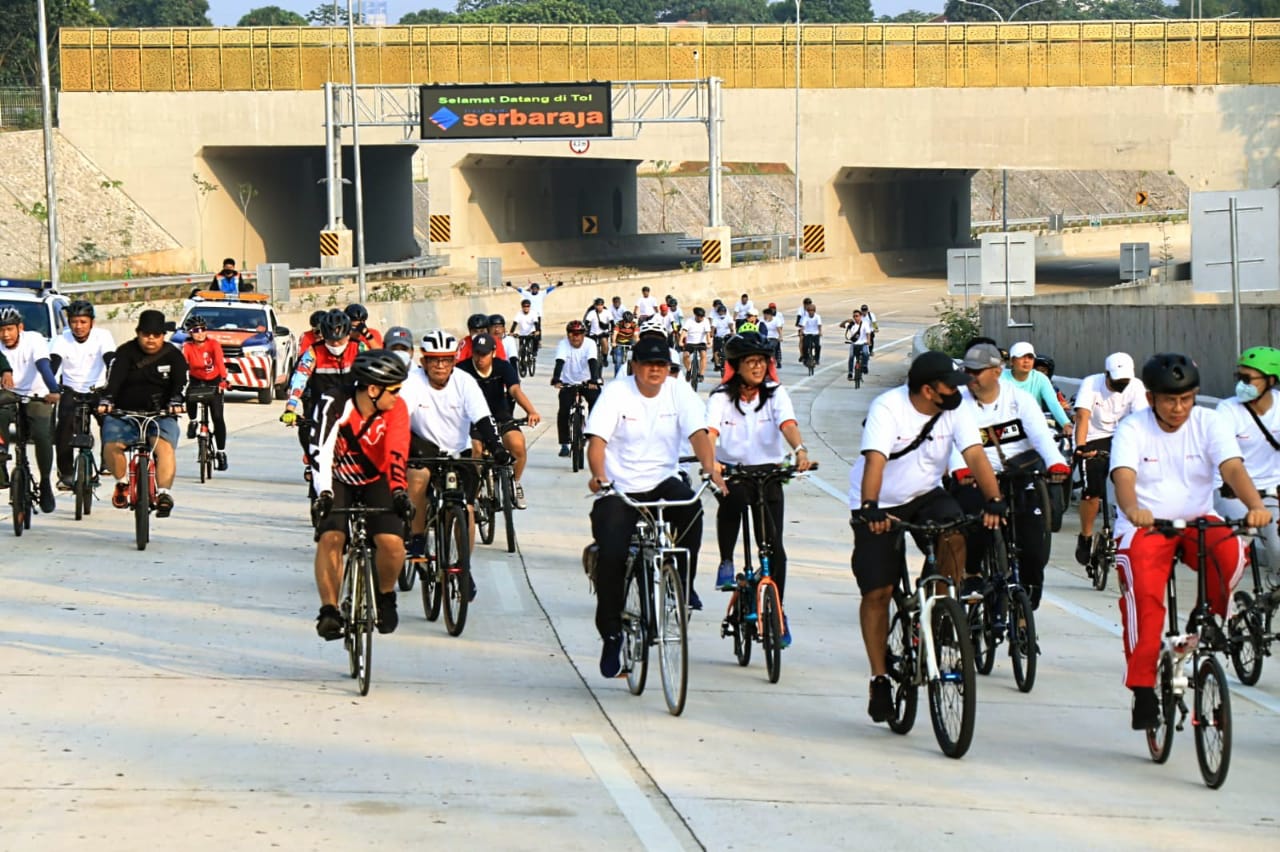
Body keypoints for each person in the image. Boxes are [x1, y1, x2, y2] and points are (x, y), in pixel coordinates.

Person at [1111, 353, 1271, 731]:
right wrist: (1133, 508)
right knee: (1145, 601)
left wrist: (1255, 506)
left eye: (1186, 399)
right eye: (1169, 399)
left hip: (1198, 517)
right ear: (1151, 398)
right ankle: (1143, 689)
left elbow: (1232, 467)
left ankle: (1208, 618)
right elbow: (1123, 476)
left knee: (1232, 551)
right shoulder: (1133, 428)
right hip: (1146, 526)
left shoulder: (1209, 422)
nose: (1179, 408)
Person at [849, 350, 1003, 723]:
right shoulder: (889, 408)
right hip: (879, 499)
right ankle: (880, 676)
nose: (958, 390)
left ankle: (937, 609)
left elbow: (976, 455)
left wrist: (994, 499)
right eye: (951, 385)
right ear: (928, 390)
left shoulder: (956, 408)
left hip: (926, 494)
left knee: (953, 535)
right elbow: (875, 461)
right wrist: (871, 508)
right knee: (878, 592)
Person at [586, 336, 727, 677]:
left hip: (661, 481)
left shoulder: (679, 392)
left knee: (691, 511)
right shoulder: (617, 392)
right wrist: (599, 476)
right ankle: (612, 633)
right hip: (619, 488)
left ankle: (681, 582)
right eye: (648, 364)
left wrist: (711, 470)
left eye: (661, 365)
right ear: (634, 365)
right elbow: (597, 441)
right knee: (613, 556)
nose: (655, 370)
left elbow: (699, 435)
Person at [707, 332, 812, 646]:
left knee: (775, 548)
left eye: (762, 362)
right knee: (733, 497)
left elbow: (788, 424)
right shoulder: (720, 397)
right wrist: (711, 464)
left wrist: (800, 451)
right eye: (750, 362)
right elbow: (710, 432)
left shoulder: (775, 393)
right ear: (736, 366)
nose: (757, 367)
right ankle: (726, 561)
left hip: (768, 475)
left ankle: (777, 610)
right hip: (734, 473)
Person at [949, 342, 1071, 608]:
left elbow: (1041, 436)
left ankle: (1026, 605)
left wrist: (1055, 462)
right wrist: (960, 468)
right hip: (978, 474)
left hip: (1019, 471)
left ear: (996, 371)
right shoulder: (958, 401)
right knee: (975, 516)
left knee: (1033, 546)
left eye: (977, 372)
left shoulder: (1019, 399)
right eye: (967, 371)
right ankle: (972, 573)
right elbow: (953, 442)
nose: (970, 378)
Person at [310, 349, 414, 640]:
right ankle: (329, 610)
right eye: (393, 389)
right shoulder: (335, 403)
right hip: (336, 478)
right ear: (373, 389)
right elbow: (321, 449)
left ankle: (384, 596)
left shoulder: (397, 409)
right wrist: (325, 493)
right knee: (331, 537)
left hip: (377, 477)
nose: (398, 395)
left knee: (392, 543)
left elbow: (396, 453)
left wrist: (399, 493)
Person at [400, 331, 512, 580]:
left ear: (453, 361)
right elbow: (399, 419)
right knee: (416, 479)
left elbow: (483, 418)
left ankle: (463, 568)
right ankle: (417, 539)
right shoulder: (412, 382)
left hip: (458, 451)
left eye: (446, 360)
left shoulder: (464, 382)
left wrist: (498, 448)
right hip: (423, 446)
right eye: (434, 360)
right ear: (423, 361)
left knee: (467, 508)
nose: (440, 366)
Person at [97, 310, 188, 517]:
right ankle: (122, 483)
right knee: (111, 445)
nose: (151, 339)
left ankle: (164, 493)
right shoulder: (124, 352)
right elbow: (114, 381)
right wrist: (107, 400)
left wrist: (176, 400)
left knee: (164, 448)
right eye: (146, 334)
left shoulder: (173, 355)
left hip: (160, 414)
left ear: (163, 335)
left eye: (156, 335)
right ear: (138, 333)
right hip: (124, 413)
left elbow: (181, 382)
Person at [1072, 352, 1149, 566]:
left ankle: (1123, 532)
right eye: (1117, 382)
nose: (1122, 386)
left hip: (1122, 435)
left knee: (1129, 483)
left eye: (1125, 381)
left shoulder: (1136, 386)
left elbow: (1141, 420)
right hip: (1092, 437)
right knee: (1092, 493)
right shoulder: (1091, 384)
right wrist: (1080, 447)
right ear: (1106, 374)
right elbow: (1082, 417)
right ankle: (1086, 536)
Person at [1214, 346, 1280, 588]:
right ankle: (1223, 602)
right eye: (1238, 378)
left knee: (1278, 548)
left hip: (1271, 492)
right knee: (1233, 553)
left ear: (1271, 380)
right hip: (1232, 491)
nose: (1241, 384)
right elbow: (1227, 461)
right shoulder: (1228, 410)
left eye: (1247, 379)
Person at [457, 333, 542, 509]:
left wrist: (531, 411)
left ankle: (516, 483)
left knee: (517, 444)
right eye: (477, 353)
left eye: (485, 354)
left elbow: (515, 390)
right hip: (474, 419)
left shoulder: (503, 367)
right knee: (476, 449)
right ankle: (477, 490)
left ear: (493, 353)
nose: (480, 358)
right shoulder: (462, 370)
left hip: (500, 415)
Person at [281, 309, 360, 484]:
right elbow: (299, 379)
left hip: (353, 409)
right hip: (322, 410)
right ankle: (312, 462)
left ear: (348, 335)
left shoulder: (358, 348)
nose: (336, 344)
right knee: (304, 429)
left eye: (340, 339)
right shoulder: (313, 352)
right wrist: (290, 407)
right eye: (331, 340)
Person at [50, 300, 115, 491]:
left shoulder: (103, 337)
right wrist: (50, 388)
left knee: (110, 423)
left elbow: (110, 360)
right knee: (64, 429)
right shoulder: (61, 339)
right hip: (71, 390)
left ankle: (107, 462)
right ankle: (66, 474)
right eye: (74, 322)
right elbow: (53, 364)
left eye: (83, 322)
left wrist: (113, 388)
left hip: (98, 389)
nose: (78, 326)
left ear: (92, 322)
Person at [0, 307, 60, 509]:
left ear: (20, 328)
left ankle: (45, 483)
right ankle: (2, 465)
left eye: (9, 329)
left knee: (42, 435)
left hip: (38, 394)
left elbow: (43, 365)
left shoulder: (34, 340)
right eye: (1, 330)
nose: (5, 335)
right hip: (8, 396)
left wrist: (54, 389)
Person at [180, 315, 230, 471]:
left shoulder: (213, 344)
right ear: (190, 333)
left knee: (217, 417)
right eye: (196, 330)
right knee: (189, 396)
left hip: (214, 380)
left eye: (202, 329)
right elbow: (183, 366)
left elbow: (220, 362)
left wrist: (223, 380)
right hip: (197, 380)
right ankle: (193, 421)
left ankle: (221, 453)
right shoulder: (187, 347)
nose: (200, 333)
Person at [553, 319, 601, 458]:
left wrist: (594, 379)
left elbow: (593, 361)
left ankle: (592, 433)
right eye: (572, 333)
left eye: (579, 333)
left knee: (596, 404)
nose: (576, 336)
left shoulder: (590, 344)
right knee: (563, 411)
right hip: (569, 382)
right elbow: (559, 361)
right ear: (568, 335)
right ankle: (564, 444)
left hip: (587, 381)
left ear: (584, 334)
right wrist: (556, 378)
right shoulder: (563, 344)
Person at [1005, 341, 1070, 428]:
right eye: (1022, 357)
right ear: (1012, 361)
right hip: (1005, 427)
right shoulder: (999, 378)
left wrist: (1066, 424)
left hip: (1033, 425)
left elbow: (1053, 403)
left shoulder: (1041, 378)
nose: (1026, 361)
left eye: (1030, 357)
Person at [840, 309, 871, 381]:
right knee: (851, 357)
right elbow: (841, 325)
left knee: (866, 353)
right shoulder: (851, 324)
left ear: (860, 316)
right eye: (854, 316)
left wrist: (868, 341)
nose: (855, 317)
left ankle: (865, 366)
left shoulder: (864, 324)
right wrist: (847, 320)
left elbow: (868, 333)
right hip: (854, 344)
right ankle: (850, 373)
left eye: (857, 316)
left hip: (863, 344)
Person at [680, 306, 712, 379]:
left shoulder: (706, 321)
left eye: (702, 317)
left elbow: (707, 333)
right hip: (690, 342)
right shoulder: (689, 321)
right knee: (685, 356)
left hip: (701, 342)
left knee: (703, 355)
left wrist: (709, 342)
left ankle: (701, 374)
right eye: (699, 316)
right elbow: (684, 331)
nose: (701, 318)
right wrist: (680, 341)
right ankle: (689, 369)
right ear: (695, 315)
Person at [610, 310, 638, 378]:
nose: (627, 324)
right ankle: (617, 377)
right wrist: (613, 342)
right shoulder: (618, 324)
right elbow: (615, 334)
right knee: (618, 361)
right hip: (619, 341)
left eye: (629, 322)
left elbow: (636, 335)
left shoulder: (635, 324)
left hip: (630, 340)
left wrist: (637, 344)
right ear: (623, 320)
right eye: (626, 322)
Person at [584, 297, 613, 363]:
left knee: (605, 343)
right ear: (595, 306)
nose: (599, 307)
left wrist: (612, 329)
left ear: (603, 305)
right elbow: (586, 321)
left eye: (601, 305)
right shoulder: (591, 312)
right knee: (590, 346)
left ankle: (605, 358)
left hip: (603, 332)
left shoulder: (607, 312)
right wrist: (587, 326)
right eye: (598, 305)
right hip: (593, 333)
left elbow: (611, 321)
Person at [711, 302, 734, 372]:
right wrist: (711, 333)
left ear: (725, 312)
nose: (721, 313)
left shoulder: (728, 317)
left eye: (723, 311)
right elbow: (713, 327)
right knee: (716, 350)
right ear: (718, 312)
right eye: (720, 312)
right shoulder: (716, 318)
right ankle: (717, 364)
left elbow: (730, 324)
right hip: (718, 336)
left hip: (727, 336)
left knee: (730, 349)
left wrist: (732, 330)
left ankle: (731, 362)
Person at [797, 301, 823, 366]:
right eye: (809, 311)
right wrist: (801, 332)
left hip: (815, 334)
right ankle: (806, 358)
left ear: (814, 311)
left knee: (818, 346)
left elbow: (819, 325)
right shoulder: (805, 317)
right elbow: (803, 325)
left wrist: (820, 332)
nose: (811, 312)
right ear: (807, 311)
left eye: (812, 310)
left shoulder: (817, 317)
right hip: (807, 334)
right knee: (805, 346)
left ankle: (817, 359)